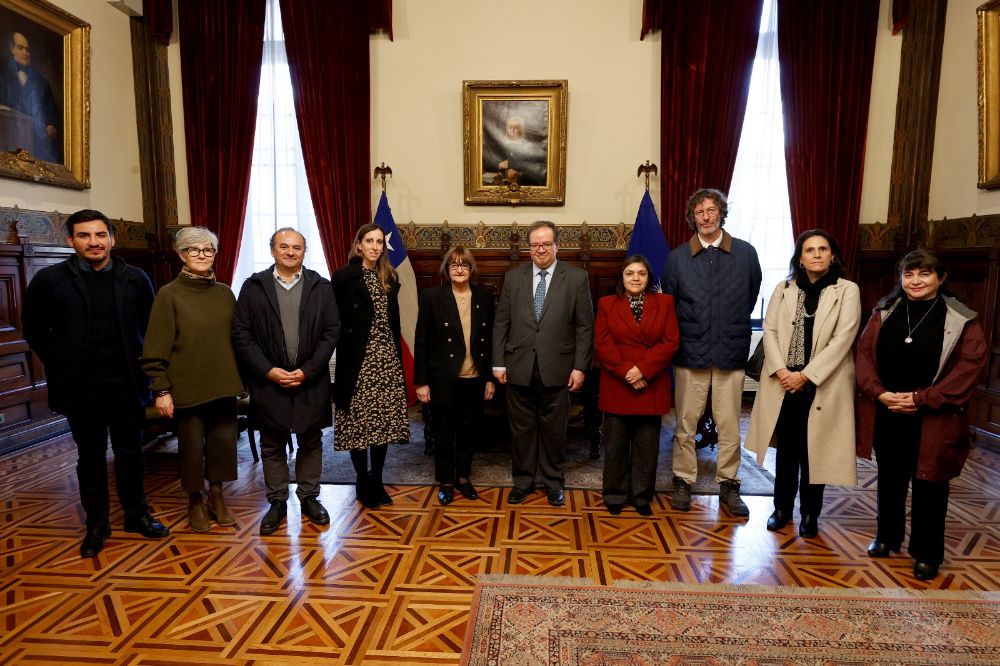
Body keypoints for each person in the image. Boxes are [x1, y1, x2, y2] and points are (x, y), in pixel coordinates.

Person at [22, 209, 169, 558]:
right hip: (80, 387)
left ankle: (136, 515)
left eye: (100, 235)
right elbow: (34, 329)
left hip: (127, 383)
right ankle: (97, 525)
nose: (94, 242)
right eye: (84, 236)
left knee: (131, 453)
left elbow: (151, 328)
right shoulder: (50, 280)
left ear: (112, 239)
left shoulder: (136, 278)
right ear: (70, 240)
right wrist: (60, 361)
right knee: (90, 457)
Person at [855, 249, 987, 581]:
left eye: (924, 274)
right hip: (888, 409)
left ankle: (927, 553)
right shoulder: (884, 312)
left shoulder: (962, 319)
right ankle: (887, 537)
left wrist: (920, 398)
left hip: (934, 416)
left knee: (930, 483)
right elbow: (864, 355)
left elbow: (970, 367)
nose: (915, 281)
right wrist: (879, 393)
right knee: (890, 478)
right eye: (909, 274)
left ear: (941, 278)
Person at [746, 230, 861, 538]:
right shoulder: (784, 289)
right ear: (800, 258)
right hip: (783, 383)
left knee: (815, 451)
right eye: (810, 250)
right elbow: (770, 331)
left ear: (832, 256)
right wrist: (782, 371)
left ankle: (810, 514)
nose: (817, 254)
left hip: (823, 384)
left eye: (823, 249)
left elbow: (844, 338)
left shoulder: (847, 290)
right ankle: (781, 509)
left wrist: (806, 375)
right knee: (787, 451)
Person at [232, 228, 340, 535]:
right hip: (269, 380)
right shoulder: (253, 286)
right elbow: (241, 333)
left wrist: (309, 370)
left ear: (304, 252)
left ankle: (309, 498)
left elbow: (332, 330)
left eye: (297, 247)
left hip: (310, 379)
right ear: (273, 250)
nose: (290, 252)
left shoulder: (321, 286)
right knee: (272, 443)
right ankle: (277, 501)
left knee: (311, 441)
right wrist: (267, 370)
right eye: (284, 246)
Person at [662, 188, 762, 516]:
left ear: (721, 213)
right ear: (692, 218)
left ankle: (729, 483)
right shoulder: (677, 258)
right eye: (699, 212)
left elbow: (750, 295)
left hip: (730, 350)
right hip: (690, 351)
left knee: (729, 423)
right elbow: (671, 304)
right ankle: (683, 479)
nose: (705, 217)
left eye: (711, 210)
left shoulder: (745, 253)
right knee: (685, 422)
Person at [141, 227, 243, 532]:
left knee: (223, 445)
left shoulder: (224, 292)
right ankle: (195, 500)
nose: (202, 255)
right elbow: (155, 347)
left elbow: (238, 339)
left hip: (223, 384)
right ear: (181, 254)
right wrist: (161, 390)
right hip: (186, 387)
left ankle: (217, 496)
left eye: (208, 250)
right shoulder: (169, 294)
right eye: (194, 249)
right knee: (191, 449)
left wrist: (243, 379)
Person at [493, 220, 594, 507]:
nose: (540, 249)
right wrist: (498, 363)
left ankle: (553, 482)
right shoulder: (513, 277)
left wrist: (580, 367)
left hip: (559, 369)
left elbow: (585, 327)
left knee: (554, 432)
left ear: (556, 246)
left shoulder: (576, 278)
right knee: (521, 431)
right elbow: (501, 323)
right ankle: (523, 482)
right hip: (518, 366)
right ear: (529, 248)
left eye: (546, 244)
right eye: (535, 245)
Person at [332, 223, 410, 509]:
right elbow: (335, 320)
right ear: (359, 245)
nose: (375, 246)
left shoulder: (389, 276)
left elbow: (393, 321)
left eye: (379, 242)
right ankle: (361, 480)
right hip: (358, 359)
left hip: (386, 359)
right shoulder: (343, 276)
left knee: (382, 423)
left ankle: (376, 478)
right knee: (358, 424)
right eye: (369, 241)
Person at [594, 255, 679, 516]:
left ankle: (641, 496)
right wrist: (627, 372)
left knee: (646, 446)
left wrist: (642, 370)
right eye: (629, 273)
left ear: (648, 277)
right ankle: (614, 494)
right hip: (617, 382)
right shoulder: (607, 303)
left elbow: (670, 342)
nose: (635, 278)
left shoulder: (665, 302)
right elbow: (602, 343)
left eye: (641, 273)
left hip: (650, 382)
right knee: (615, 445)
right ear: (622, 277)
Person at [414, 246, 496, 505]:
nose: (459, 269)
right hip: (442, 378)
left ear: (471, 269)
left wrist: (489, 378)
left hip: (474, 377)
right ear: (446, 270)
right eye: (454, 265)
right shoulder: (432, 296)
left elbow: (490, 341)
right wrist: (421, 382)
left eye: (464, 265)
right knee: (443, 432)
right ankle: (446, 481)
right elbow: (421, 341)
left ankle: (463, 477)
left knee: (468, 431)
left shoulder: (484, 297)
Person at [0, 31, 61, 162]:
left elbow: (52, 113)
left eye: (27, 49)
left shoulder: (41, 81)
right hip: (8, 142)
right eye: (20, 48)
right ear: (11, 49)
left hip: (36, 144)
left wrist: (51, 125)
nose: (25, 53)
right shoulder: (2, 75)